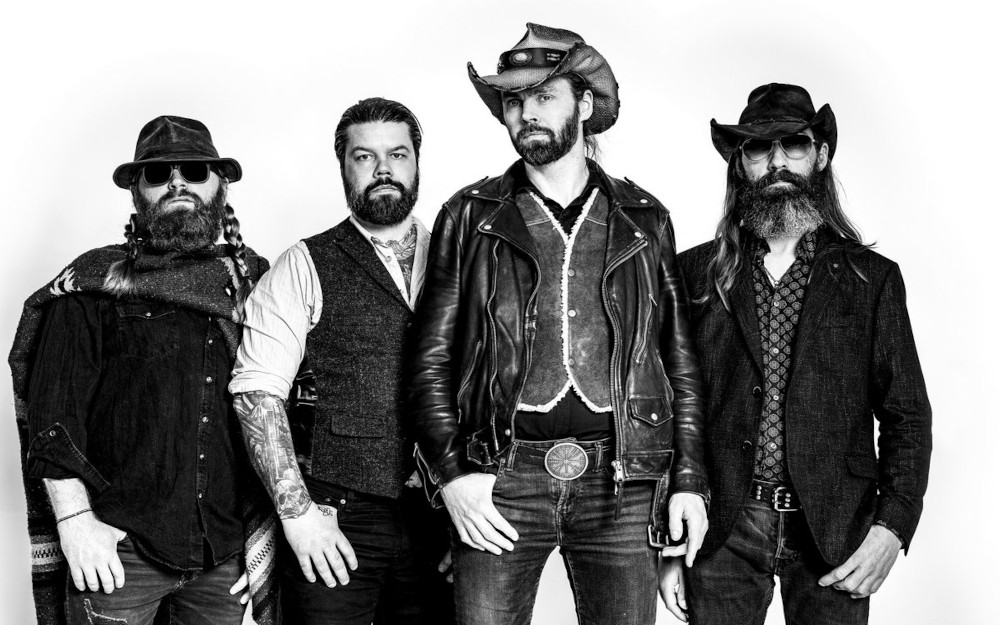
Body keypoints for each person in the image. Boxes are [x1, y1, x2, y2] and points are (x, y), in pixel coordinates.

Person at [408, 23, 709, 625]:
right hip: (500, 474)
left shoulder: (644, 218)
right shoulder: (468, 215)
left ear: (585, 105)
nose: (526, 113)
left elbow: (678, 359)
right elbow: (430, 357)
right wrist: (451, 475)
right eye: (513, 101)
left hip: (624, 481)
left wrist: (688, 480)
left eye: (544, 96)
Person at [662, 83, 933, 624]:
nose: (778, 161)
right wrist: (668, 546)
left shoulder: (870, 279)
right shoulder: (693, 274)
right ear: (740, 163)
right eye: (760, 148)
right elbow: (671, 409)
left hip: (835, 527)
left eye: (795, 144)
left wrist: (892, 528)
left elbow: (906, 413)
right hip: (721, 529)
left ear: (821, 155)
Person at [9, 115, 276, 625]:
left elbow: (280, 409)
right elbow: (53, 414)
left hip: (221, 554)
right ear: (138, 193)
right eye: (158, 173)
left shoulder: (254, 284)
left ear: (220, 184)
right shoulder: (94, 281)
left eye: (193, 170)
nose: (176, 182)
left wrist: (260, 541)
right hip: (119, 552)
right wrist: (75, 522)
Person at [230, 97, 452, 624]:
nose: (383, 169)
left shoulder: (461, 254)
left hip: (442, 515)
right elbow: (257, 391)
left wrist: (472, 504)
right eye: (364, 156)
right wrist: (297, 515)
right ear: (343, 167)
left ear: (417, 162)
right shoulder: (304, 263)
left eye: (397, 154)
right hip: (337, 518)